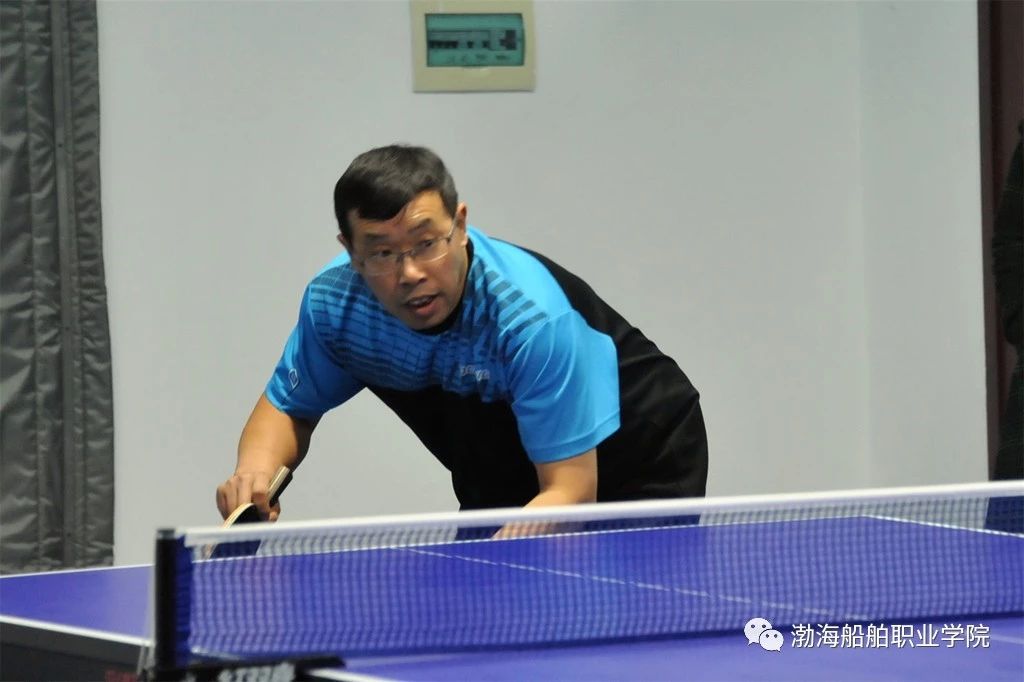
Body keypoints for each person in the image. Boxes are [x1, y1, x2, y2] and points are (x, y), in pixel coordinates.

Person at [216, 145, 708, 523]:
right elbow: (289, 406)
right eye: (382, 253)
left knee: (613, 606)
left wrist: (504, 567)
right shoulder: (338, 308)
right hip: (503, 451)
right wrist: (254, 473)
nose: (410, 273)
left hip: (635, 445)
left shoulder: (527, 320)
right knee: (482, 599)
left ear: (461, 224)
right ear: (350, 251)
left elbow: (569, 492)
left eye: (426, 243)